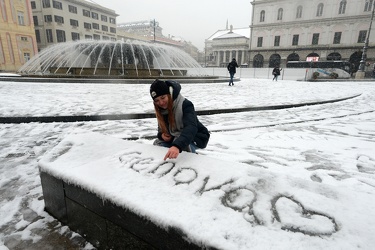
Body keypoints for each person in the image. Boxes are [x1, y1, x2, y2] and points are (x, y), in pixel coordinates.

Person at [150, 79, 210, 160]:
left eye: (163, 97)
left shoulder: (185, 104)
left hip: (196, 137)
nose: (161, 103)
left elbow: (191, 127)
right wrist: (162, 135)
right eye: (157, 100)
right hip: (175, 137)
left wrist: (177, 146)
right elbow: (160, 129)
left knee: (183, 154)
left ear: (169, 94)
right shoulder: (161, 110)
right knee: (159, 147)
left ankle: (194, 162)